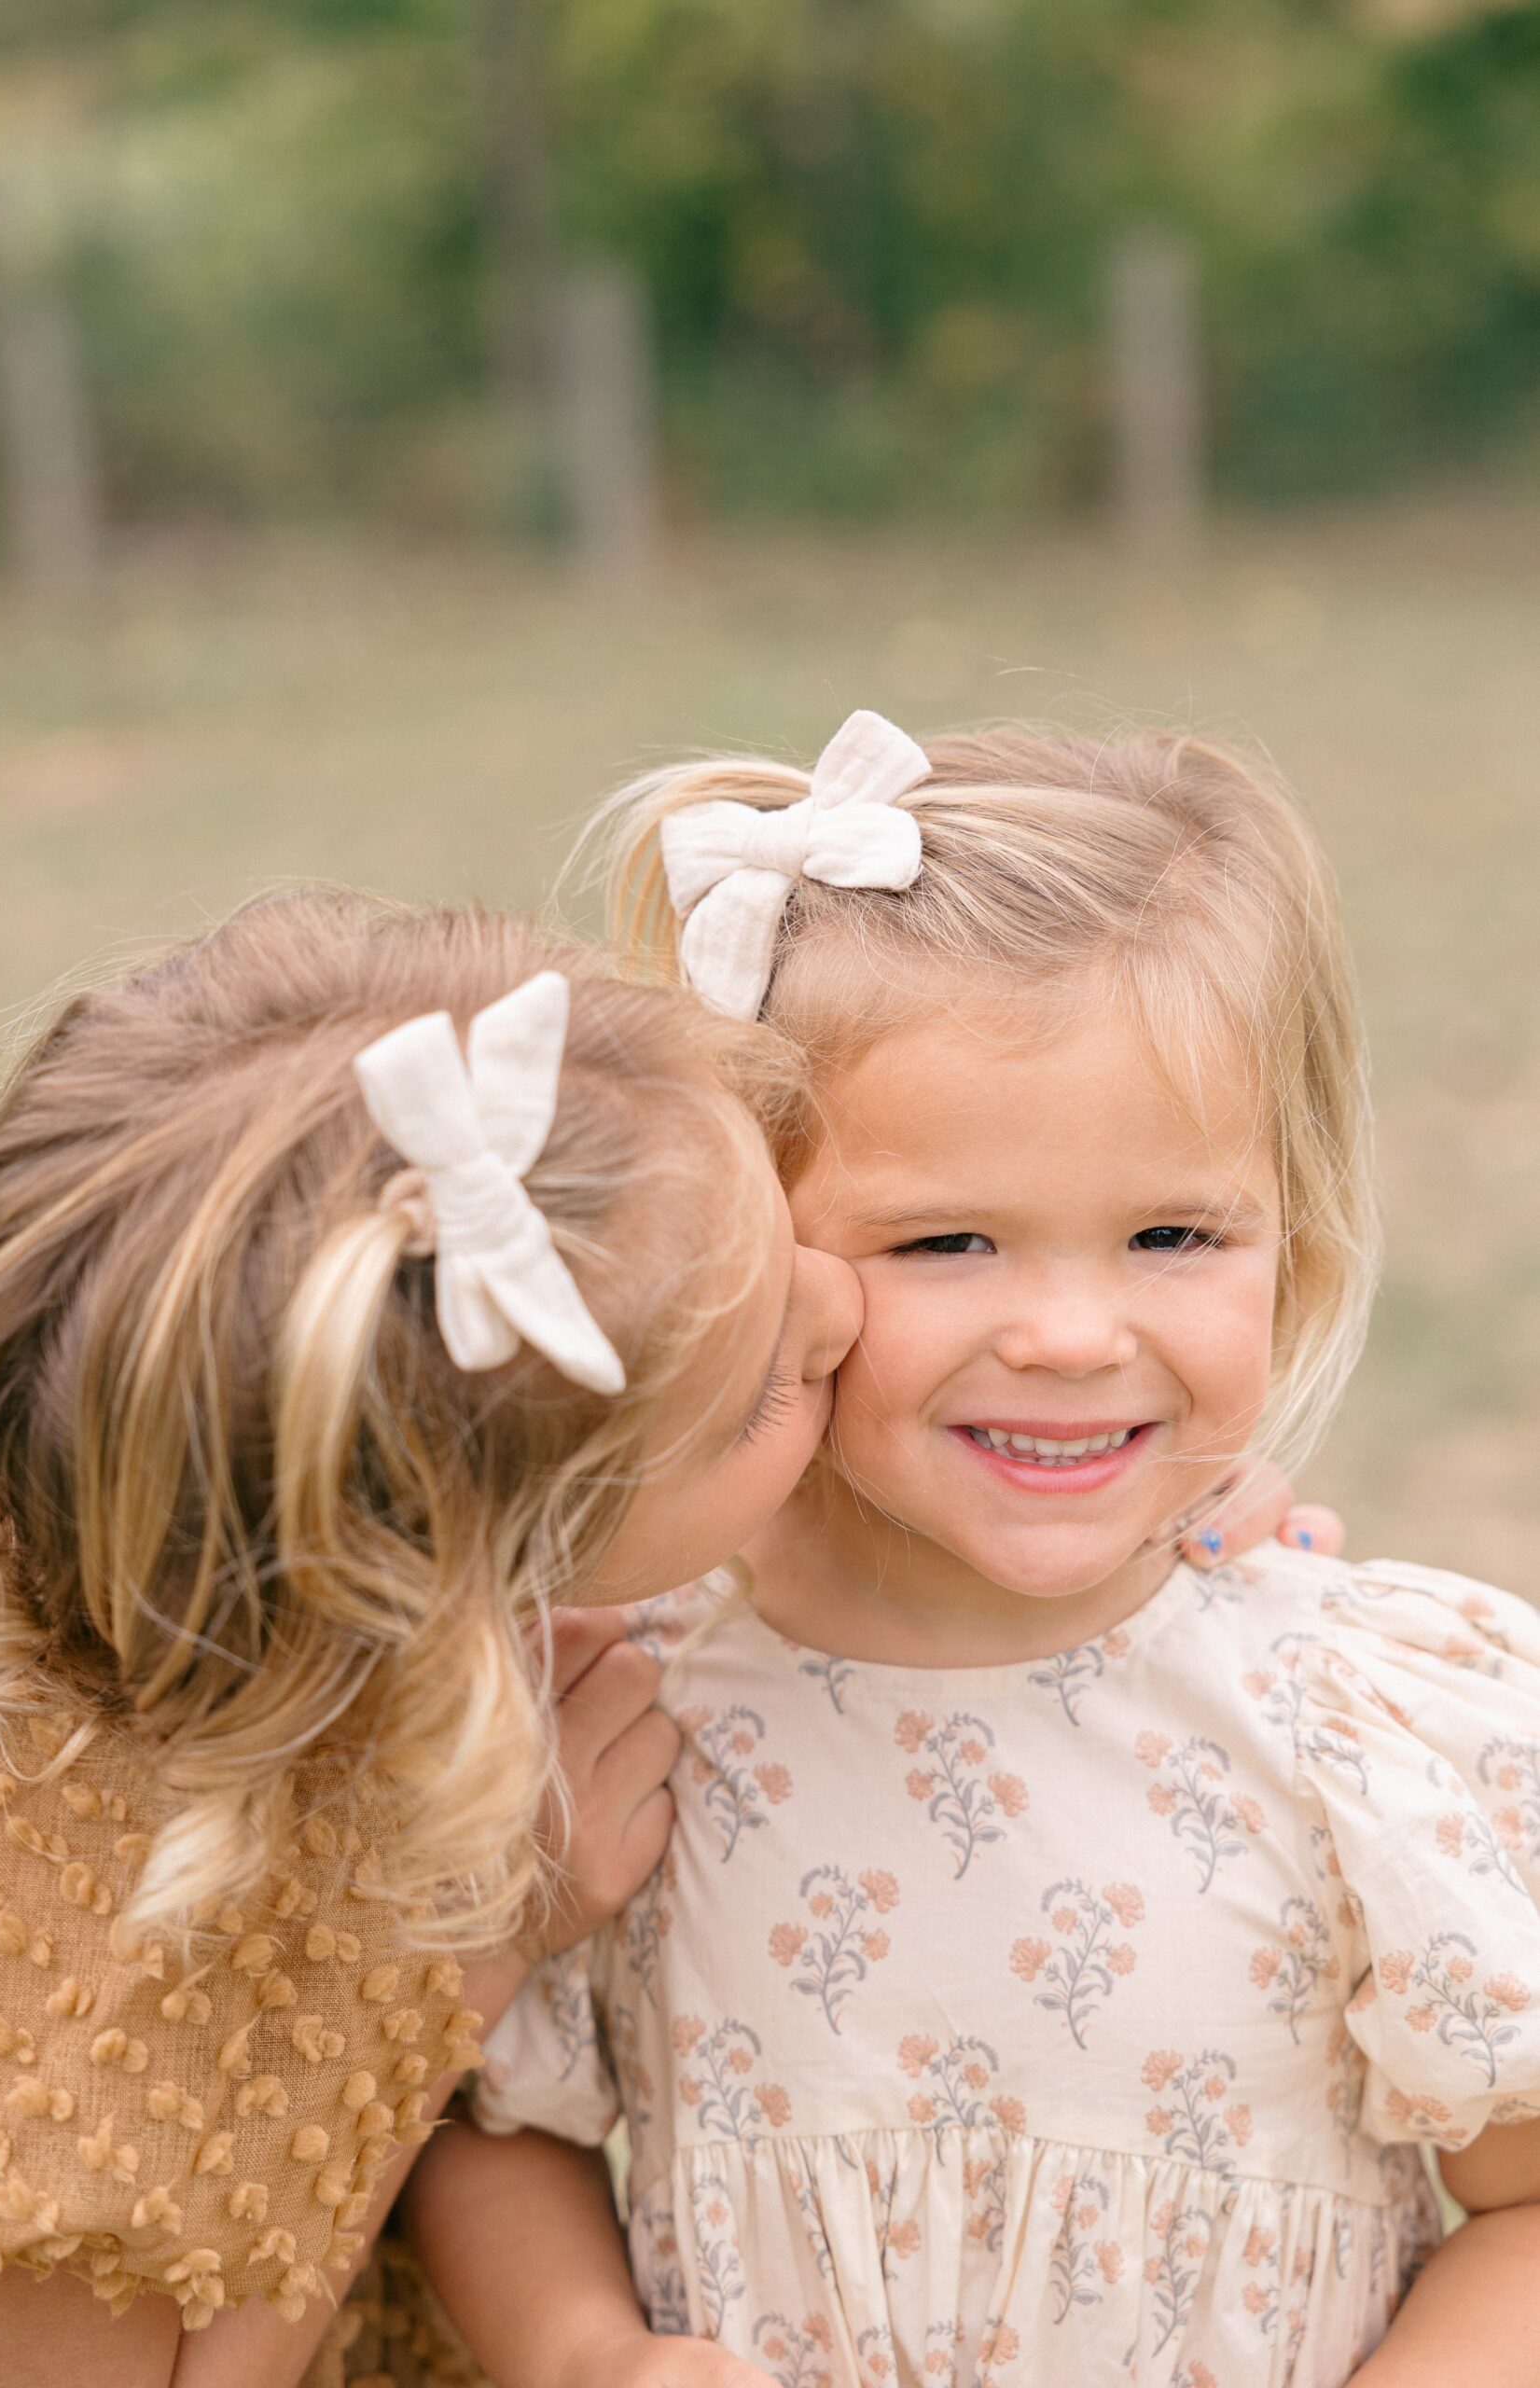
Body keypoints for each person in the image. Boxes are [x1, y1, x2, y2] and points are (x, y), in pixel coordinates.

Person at [409, 714, 1540, 2388]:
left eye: (1174, 1234)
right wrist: (585, 2352)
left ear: (1292, 1241)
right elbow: (499, 2119)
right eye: (948, 1241)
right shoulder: (629, 1701)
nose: (1073, 1335)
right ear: (758, 1257)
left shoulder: (1351, 1718)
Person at [0, 887, 867, 2388]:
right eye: (762, 1393)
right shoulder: (35, 1948)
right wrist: (475, 1953)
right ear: (441, 1575)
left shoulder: (261, 1578)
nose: (846, 1306)